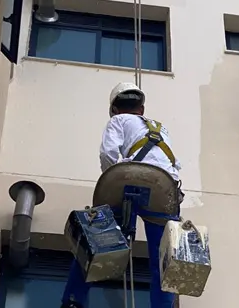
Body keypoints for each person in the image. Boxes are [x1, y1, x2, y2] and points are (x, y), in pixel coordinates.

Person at [61, 82, 182, 308]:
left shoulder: (117, 120)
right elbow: (172, 164)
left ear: (114, 109)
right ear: (142, 110)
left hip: (129, 176)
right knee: (164, 256)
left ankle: (74, 301)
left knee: (98, 239)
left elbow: (108, 152)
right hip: (165, 186)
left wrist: (112, 182)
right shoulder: (161, 128)